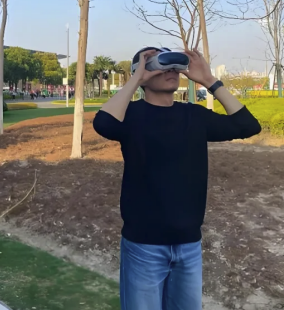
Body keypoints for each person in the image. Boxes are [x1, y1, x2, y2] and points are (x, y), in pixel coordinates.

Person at [92, 47, 261, 310]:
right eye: (159, 64)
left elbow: (248, 126)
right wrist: (135, 79)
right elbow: (103, 123)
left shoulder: (194, 115)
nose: (170, 70)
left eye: (174, 66)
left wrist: (209, 80)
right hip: (144, 245)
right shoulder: (131, 116)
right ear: (141, 73)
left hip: (189, 244)